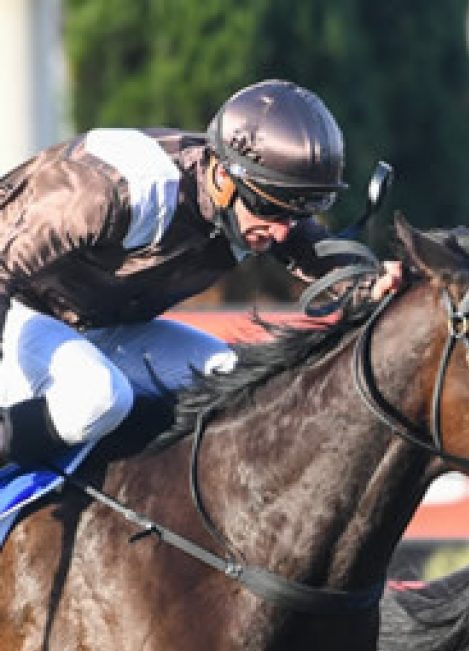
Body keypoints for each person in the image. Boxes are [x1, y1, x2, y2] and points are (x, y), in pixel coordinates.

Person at [0, 78, 401, 472]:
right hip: (20, 311)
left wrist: (369, 282)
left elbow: (310, 246)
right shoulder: (118, 190)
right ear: (224, 178)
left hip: (100, 327)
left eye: (297, 213)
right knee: (98, 398)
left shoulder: (251, 198)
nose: (282, 232)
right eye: (272, 210)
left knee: (242, 388)